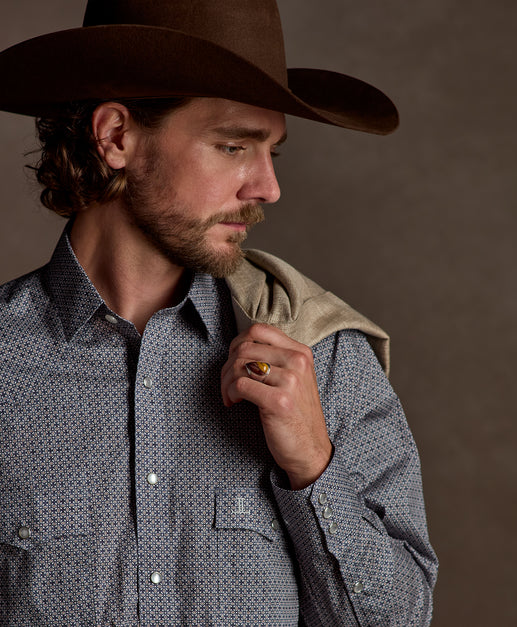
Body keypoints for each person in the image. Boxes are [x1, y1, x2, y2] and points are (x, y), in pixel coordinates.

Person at [0, 1, 437, 625]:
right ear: (116, 136)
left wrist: (313, 469)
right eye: (233, 146)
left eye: (271, 153)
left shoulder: (322, 356)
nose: (267, 188)